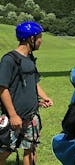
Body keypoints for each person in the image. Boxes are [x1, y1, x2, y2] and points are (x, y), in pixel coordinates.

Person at [0, 21, 53, 165]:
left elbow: (33, 82)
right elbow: (2, 89)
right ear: (31, 39)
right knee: (4, 151)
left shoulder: (29, 59)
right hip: (15, 117)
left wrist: (44, 97)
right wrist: (12, 115)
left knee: (30, 149)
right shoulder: (9, 60)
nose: (41, 41)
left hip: (32, 115)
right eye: (40, 37)